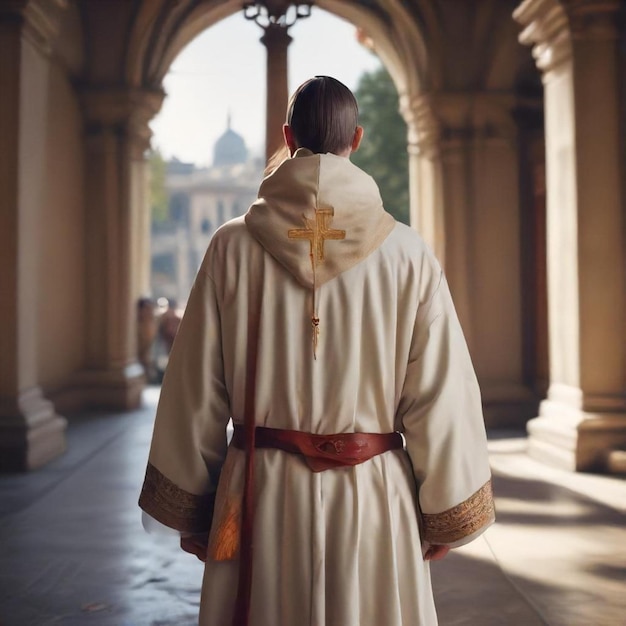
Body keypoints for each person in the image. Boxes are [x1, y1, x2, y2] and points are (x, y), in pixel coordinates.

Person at [139, 76, 495, 626]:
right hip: (375, 497)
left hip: (259, 498)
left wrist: (192, 508)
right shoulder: (407, 253)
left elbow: (194, 388)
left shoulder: (231, 246)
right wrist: (446, 510)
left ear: (287, 135)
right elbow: (440, 393)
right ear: (356, 138)